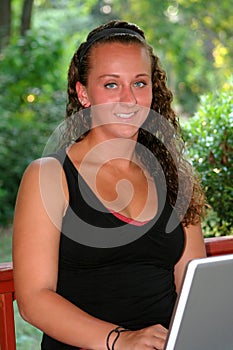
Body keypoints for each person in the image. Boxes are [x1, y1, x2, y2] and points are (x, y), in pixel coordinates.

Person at [13, 20, 207, 350]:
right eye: (112, 85)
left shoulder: (172, 176)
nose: (129, 99)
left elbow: (193, 286)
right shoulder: (49, 175)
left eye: (140, 83)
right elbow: (34, 299)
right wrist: (121, 340)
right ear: (84, 93)